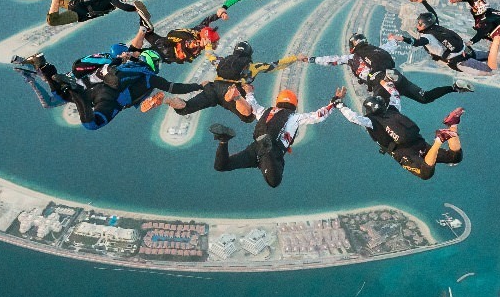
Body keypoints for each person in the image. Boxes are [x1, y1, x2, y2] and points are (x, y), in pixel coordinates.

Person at [12, 22, 204, 131]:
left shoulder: (128, 63)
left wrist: (142, 32)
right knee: (90, 124)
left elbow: (132, 51)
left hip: (97, 86)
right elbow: (176, 88)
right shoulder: (150, 77)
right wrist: (200, 86)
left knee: (60, 97)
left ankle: (43, 67)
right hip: (108, 97)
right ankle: (53, 76)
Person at [208, 86, 342, 188]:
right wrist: (334, 102)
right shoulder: (295, 117)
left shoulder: (265, 111)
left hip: (255, 149)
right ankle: (267, 145)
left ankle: (223, 140)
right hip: (269, 150)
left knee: (221, 166)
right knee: (274, 181)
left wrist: (249, 91)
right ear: (294, 104)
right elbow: (319, 116)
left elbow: (252, 104)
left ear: (278, 101)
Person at [333, 82, 464, 180]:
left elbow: (353, 117)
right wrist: (388, 83)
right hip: (419, 142)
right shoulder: (392, 110)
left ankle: (439, 140)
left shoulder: (371, 121)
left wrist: (338, 103)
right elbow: (395, 94)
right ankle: (452, 123)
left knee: (425, 173)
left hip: (404, 152)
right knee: (455, 157)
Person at [306, 32, 473, 104]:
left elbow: (330, 60)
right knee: (425, 97)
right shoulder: (380, 49)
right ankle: (453, 87)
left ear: (352, 46)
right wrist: (395, 37)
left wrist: (309, 59)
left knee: (379, 110)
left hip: (381, 81)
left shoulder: (351, 57)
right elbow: (394, 42)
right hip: (395, 75)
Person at [164, 41, 304, 122]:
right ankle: (236, 97)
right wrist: (296, 58)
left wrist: (207, 45)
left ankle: (169, 100)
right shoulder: (251, 66)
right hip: (231, 90)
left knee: (185, 108)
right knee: (248, 116)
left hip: (213, 88)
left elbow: (210, 55)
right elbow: (275, 65)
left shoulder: (223, 62)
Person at [392, 12, 500, 74]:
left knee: (489, 70)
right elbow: (432, 12)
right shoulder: (437, 27)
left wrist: (402, 38)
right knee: (488, 55)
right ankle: (498, 41)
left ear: (425, 25)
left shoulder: (427, 36)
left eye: (420, 23)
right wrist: (423, 2)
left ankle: (496, 41)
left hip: (459, 61)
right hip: (466, 50)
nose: (417, 25)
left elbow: (416, 42)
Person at [144, 20, 220, 65]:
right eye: (214, 42)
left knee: (148, 35)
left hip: (167, 44)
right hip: (168, 52)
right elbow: (211, 57)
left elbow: (204, 23)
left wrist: (217, 15)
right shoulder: (196, 44)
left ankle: (144, 28)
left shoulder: (197, 33)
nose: (216, 44)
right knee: (144, 59)